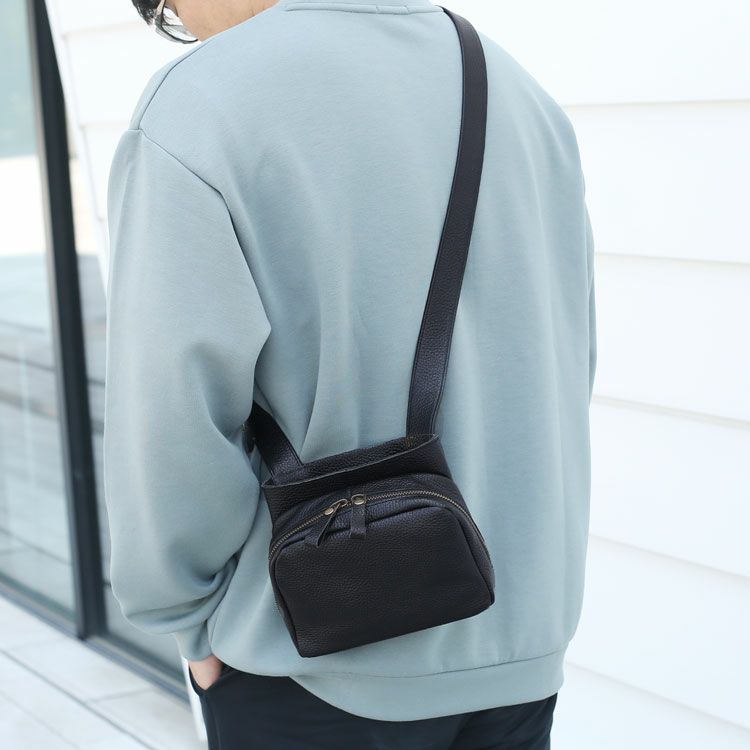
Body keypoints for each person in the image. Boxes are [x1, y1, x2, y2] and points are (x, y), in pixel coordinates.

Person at [103, 0, 597, 747]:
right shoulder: (515, 87)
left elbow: (170, 416)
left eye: (166, 11)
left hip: (314, 658)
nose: (184, 29)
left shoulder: (199, 104)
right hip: (522, 648)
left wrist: (182, 616)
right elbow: (571, 356)